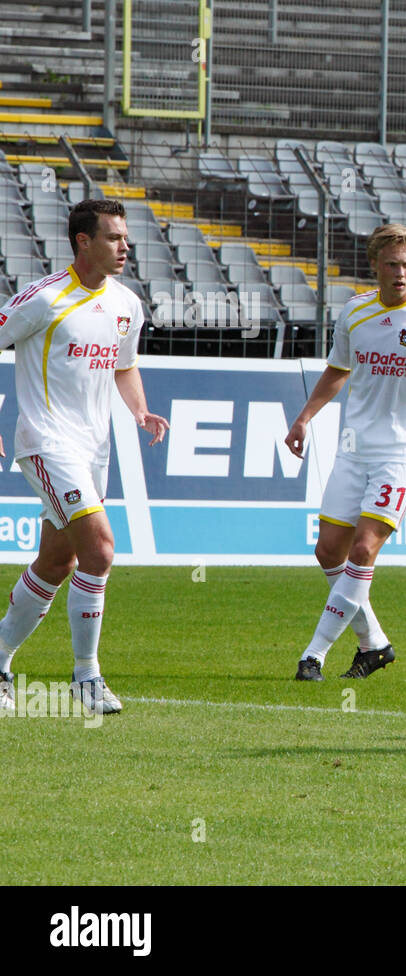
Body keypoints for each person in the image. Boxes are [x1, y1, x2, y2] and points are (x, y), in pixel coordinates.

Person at [0, 198, 169, 715]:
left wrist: (140, 412)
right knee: (100, 549)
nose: (125, 247)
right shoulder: (44, 299)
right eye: (115, 238)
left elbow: (124, 366)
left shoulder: (126, 304)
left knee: (57, 561)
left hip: (96, 448)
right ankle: (86, 678)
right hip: (47, 443)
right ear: (83, 241)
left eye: (126, 238)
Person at [285, 223, 406, 681]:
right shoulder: (354, 312)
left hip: (405, 452)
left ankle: (314, 654)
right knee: (328, 549)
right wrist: (305, 417)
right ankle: (375, 645)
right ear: (375, 265)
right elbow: (337, 369)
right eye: (392, 265)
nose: (401, 273)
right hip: (354, 449)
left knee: (364, 547)